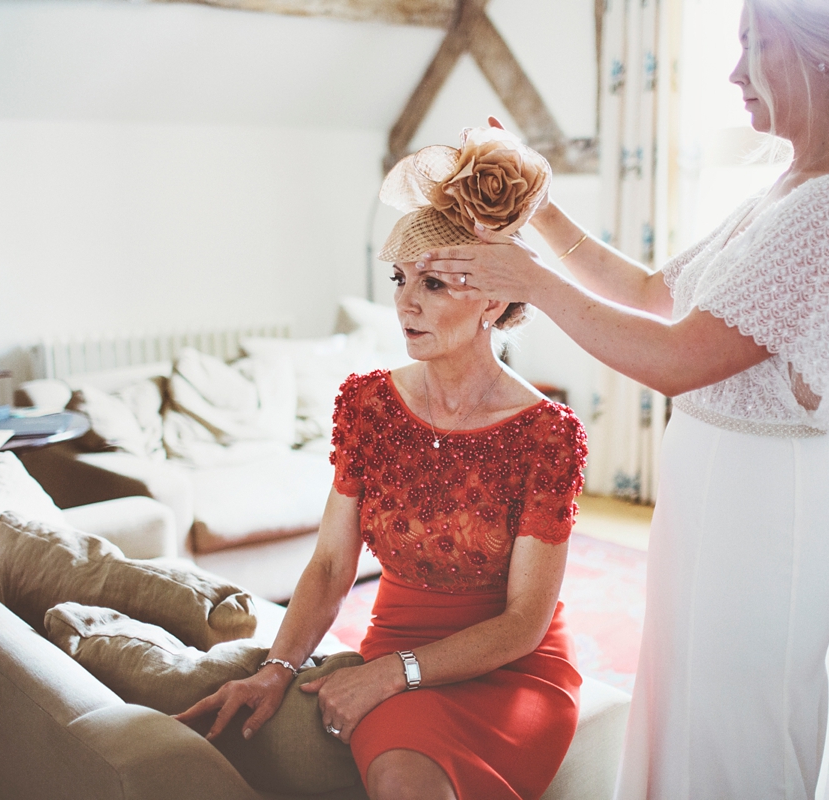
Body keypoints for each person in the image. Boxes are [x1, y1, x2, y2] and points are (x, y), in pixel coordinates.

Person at [416, 1, 829, 797]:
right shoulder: (794, 183)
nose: (735, 74)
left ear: (821, 55)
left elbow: (676, 358)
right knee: (690, 713)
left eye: (753, 48)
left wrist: (532, 284)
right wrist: (540, 210)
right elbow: (658, 293)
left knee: (736, 734)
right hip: (719, 499)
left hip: (765, 514)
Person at [177, 129, 588, 800]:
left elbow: (524, 623)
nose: (405, 302)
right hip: (397, 639)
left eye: (432, 282)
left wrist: (393, 673)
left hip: (513, 669)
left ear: (491, 300)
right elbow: (333, 566)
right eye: (401, 279)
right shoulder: (368, 404)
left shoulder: (545, 433)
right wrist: (278, 667)